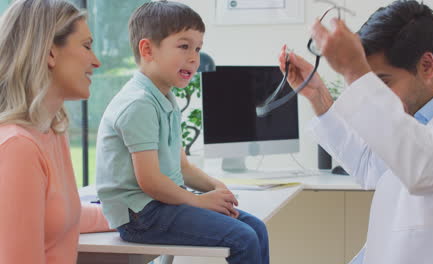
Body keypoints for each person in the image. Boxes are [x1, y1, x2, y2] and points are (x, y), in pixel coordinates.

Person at [279, 1, 433, 263]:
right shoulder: (419, 113)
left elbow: (426, 169)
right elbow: (371, 166)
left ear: (427, 66)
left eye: (382, 82)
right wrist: (319, 98)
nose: (377, 94)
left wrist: (355, 71)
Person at [95, 1, 269, 263]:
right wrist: (198, 202)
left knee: (257, 229)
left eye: (198, 48)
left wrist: (214, 186)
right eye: (184, 46)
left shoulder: (165, 99)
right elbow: (150, 181)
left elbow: (182, 167)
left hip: (160, 205)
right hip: (141, 216)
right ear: (148, 49)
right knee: (242, 238)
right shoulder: (138, 103)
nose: (194, 58)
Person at [0, 0, 111, 263]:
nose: (96, 62)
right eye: (86, 46)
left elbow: (57, 216)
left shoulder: (51, 131)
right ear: (50, 53)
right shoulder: (18, 147)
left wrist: (133, 215)